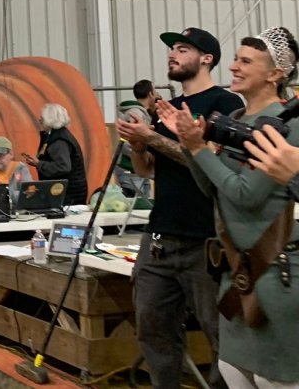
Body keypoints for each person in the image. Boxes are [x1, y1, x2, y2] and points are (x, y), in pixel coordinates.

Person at [156, 27, 299, 388]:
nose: (233, 67)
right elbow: (212, 190)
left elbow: (245, 193)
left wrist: (200, 149)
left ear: (275, 74)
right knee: (235, 374)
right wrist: (192, 145)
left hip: (276, 283)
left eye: (245, 61)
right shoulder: (234, 123)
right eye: (235, 58)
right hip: (237, 280)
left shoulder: (288, 127)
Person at [117, 27, 243, 389]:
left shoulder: (226, 106)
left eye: (183, 49)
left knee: (222, 338)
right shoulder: (165, 111)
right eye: (171, 49)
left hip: (206, 243)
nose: (172, 54)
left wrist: (153, 137)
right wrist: (139, 145)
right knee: (153, 332)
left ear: (207, 59)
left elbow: (212, 164)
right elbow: (147, 172)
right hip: (158, 240)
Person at [22, 104, 88, 206]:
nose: (40, 120)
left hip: (68, 195)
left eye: (42, 118)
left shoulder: (58, 141)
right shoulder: (58, 136)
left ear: (50, 120)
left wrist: (39, 164)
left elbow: (63, 167)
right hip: (70, 192)